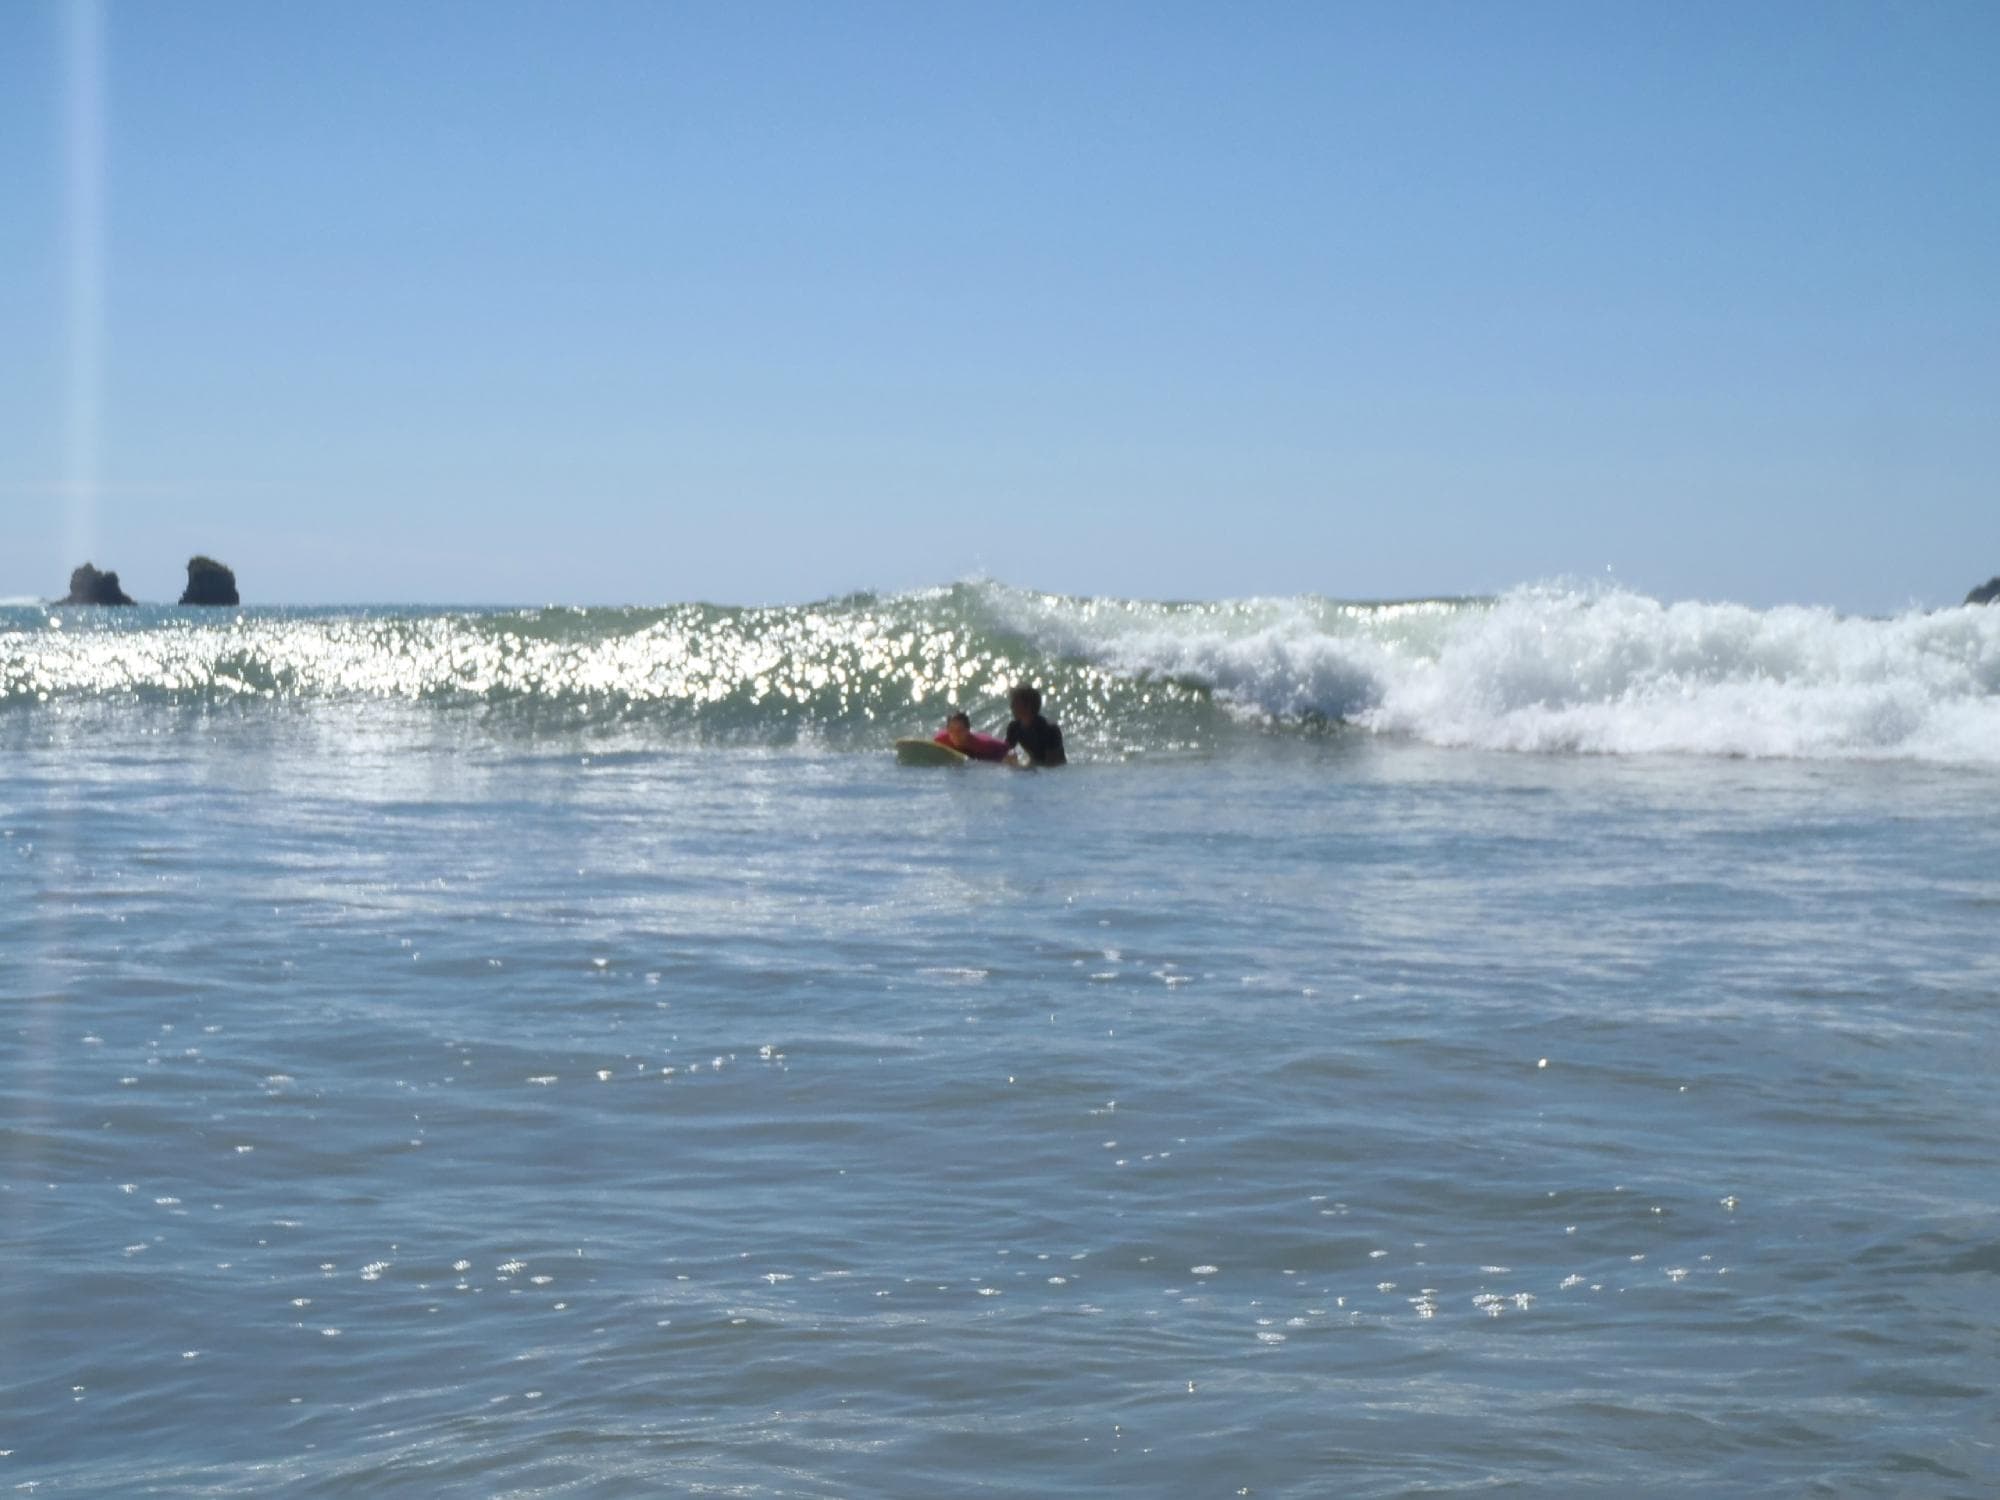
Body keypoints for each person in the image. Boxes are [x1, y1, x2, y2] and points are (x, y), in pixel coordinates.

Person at [1002, 684, 1066, 767]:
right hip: (1035, 771)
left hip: (1059, 775)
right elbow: (1003, 754)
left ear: (1028, 706)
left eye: (1015, 703)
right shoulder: (1014, 728)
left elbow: (1052, 766)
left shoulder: (1050, 730)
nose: (1012, 706)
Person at [934, 711, 1010, 762]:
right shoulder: (940, 740)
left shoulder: (982, 745)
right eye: (951, 730)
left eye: (960, 730)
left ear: (968, 730)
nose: (955, 735)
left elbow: (1007, 749)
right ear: (947, 730)